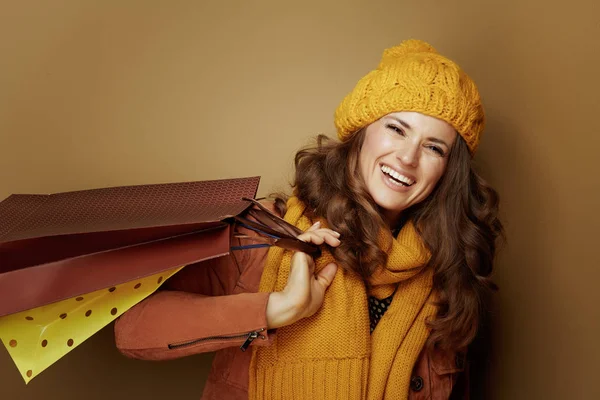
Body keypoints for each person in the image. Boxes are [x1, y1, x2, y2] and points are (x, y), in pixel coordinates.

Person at [114, 39, 503, 399]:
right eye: (396, 129)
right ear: (362, 133)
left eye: (433, 147)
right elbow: (131, 328)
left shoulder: (448, 276)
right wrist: (276, 309)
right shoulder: (269, 233)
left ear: (448, 171)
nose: (407, 157)